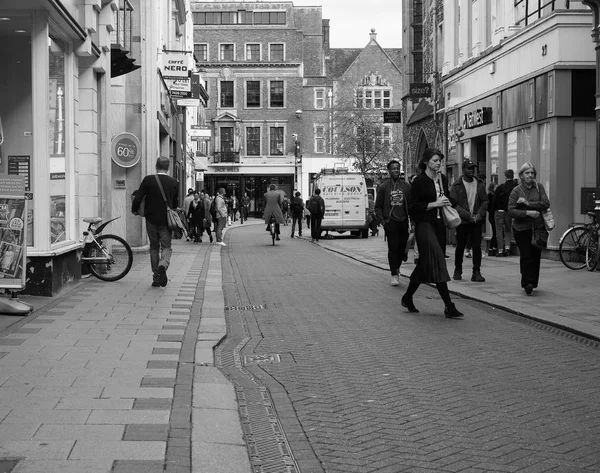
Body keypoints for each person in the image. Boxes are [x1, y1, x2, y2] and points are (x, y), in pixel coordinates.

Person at [400, 148, 464, 318]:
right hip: (424, 225)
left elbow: (448, 198)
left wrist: (454, 202)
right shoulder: (419, 181)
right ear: (426, 162)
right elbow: (413, 208)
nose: (438, 164)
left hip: (438, 225)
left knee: (424, 265)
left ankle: (407, 297)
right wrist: (434, 204)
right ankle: (449, 306)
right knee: (438, 261)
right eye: (435, 160)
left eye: (440, 161)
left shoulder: (442, 179)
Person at [132, 156, 179, 287]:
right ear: (168, 168)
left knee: (154, 247)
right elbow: (175, 204)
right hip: (166, 221)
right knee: (166, 246)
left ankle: (156, 278)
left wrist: (134, 210)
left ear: (156, 166)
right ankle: (163, 264)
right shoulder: (174, 182)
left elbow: (138, 198)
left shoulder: (148, 180)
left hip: (151, 219)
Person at [508, 163, 550, 295]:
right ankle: (527, 283)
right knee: (526, 255)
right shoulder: (516, 191)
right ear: (521, 175)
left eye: (532, 173)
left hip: (538, 228)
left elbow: (545, 203)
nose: (530, 175)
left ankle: (532, 281)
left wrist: (528, 204)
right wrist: (527, 213)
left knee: (535, 256)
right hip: (522, 228)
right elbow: (511, 210)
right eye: (527, 173)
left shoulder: (539, 187)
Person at [449, 159, 488, 282]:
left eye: (473, 169)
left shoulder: (479, 184)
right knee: (460, 245)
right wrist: (468, 216)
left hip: (476, 221)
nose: (471, 171)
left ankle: (476, 272)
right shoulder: (456, 185)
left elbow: (485, 200)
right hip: (463, 221)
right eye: (469, 168)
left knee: (477, 246)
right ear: (463, 170)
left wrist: (479, 214)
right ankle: (458, 270)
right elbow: (454, 204)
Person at [375, 159, 411, 286]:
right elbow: (378, 206)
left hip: (403, 221)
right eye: (393, 168)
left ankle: (397, 266)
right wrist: (383, 222)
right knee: (393, 248)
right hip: (391, 222)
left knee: (402, 248)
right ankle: (394, 274)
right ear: (389, 171)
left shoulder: (406, 186)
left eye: (398, 168)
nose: (396, 171)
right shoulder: (384, 187)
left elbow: (411, 205)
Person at [494, 169, 517, 256]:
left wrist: (494, 209)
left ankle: (500, 250)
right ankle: (507, 247)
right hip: (509, 211)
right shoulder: (515, 187)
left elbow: (494, 200)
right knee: (508, 230)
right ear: (513, 176)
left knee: (499, 231)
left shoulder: (500, 187)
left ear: (505, 177)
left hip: (499, 211)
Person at [487, 182, 498, 256]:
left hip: (494, 215)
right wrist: (492, 210)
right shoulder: (490, 196)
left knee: (496, 232)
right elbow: (488, 207)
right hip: (492, 216)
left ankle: (494, 247)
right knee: (495, 232)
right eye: (495, 187)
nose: (496, 188)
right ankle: (491, 248)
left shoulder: (495, 195)